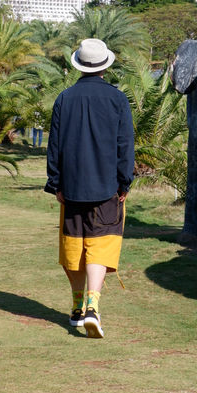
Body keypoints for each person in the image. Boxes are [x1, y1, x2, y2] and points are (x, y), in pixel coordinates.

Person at [44, 37, 134, 339]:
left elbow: (54, 145)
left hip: (71, 187)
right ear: (104, 66)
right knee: (99, 245)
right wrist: (125, 183)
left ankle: (76, 307)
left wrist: (55, 182)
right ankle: (93, 307)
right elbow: (125, 146)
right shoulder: (117, 99)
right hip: (107, 188)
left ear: (79, 66)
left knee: (74, 246)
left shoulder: (64, 98)